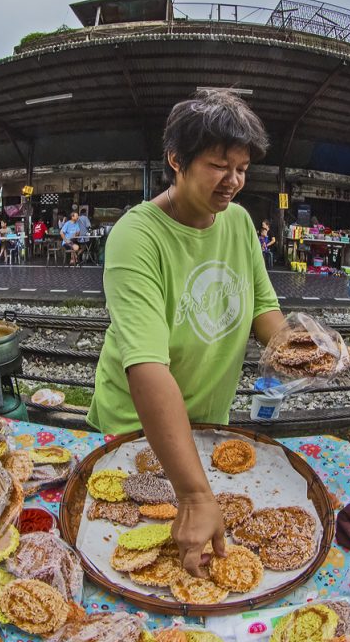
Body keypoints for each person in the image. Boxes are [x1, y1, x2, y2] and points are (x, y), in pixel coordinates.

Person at [87, 89, 286, 577]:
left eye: (242, 168)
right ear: (176, 160)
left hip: (200, 430)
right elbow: (146, 365)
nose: (233, 181)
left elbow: (262, 304)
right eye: (220, 165)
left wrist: (298, 346)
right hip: (134, 435)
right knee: (126, 560)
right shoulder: (138, 237)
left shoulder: (237, 222)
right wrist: (195, 494)